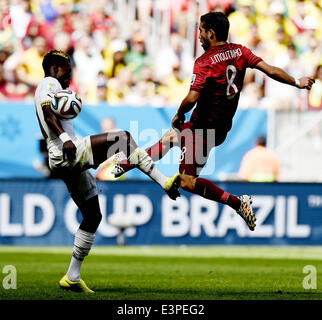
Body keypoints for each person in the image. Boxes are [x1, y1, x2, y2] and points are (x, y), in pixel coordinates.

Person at [112, 12, 315, 231]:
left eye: (200, 30)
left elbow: (192, 97)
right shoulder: (241, 51)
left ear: (211, 33)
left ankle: (238, 202)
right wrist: (297, 81)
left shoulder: (204, 62)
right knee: (170, 138)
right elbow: (271, 70)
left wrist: (179, 114)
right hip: (218, 127)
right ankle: (126, 164)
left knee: (187, 181)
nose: (198, 35)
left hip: (203, 129)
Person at [34, 50, 181, 293]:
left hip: (64, 157)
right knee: (122, 138)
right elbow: (49, 112)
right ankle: (164, 181)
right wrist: (64, 138)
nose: (69, 77)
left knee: (93, 216)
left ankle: (72, 276)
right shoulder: (48, 83)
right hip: (65, 151)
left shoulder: (53, 89)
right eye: (68, 71)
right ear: (56, 68)